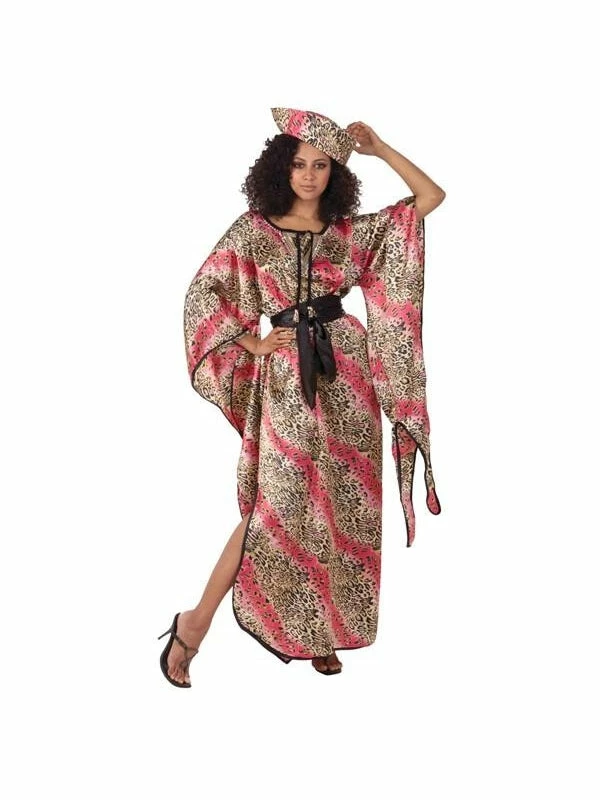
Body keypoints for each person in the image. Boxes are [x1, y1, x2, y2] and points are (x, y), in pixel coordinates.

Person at [158, 108, 445, 687]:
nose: (309, 175)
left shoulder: (347, 233)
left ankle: (322, 631)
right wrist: (252, 342)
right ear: (279, 169)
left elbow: (429, 197)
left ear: (335, 173)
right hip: (289, 373)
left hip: (349, 371)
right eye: (298, 164)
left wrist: (380, 149)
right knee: (277, 505)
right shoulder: (253, 230)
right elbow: (204, 293)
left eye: (320, 165)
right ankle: (194, 624)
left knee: (344, 500)